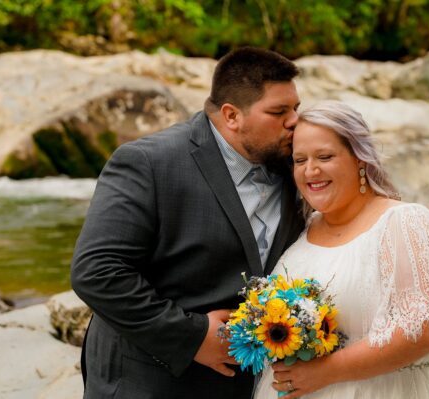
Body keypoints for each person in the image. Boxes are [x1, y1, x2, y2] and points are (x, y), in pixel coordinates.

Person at [71, 47, 306, 399]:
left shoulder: (295, 164)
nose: (294, 122)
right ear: (231, 116)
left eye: (296, 109)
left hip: (251, 384)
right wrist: (193, 336)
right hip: (151, 381)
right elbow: (97, 272)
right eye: (278, 112)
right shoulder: (149, 162)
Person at [254, 101, 429, 399]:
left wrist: (326, 372)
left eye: (325, 156)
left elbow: (428, 328)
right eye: (300, 160)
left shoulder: (405, 222)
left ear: (360, 159)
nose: (310, 171)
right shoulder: (304, 228)